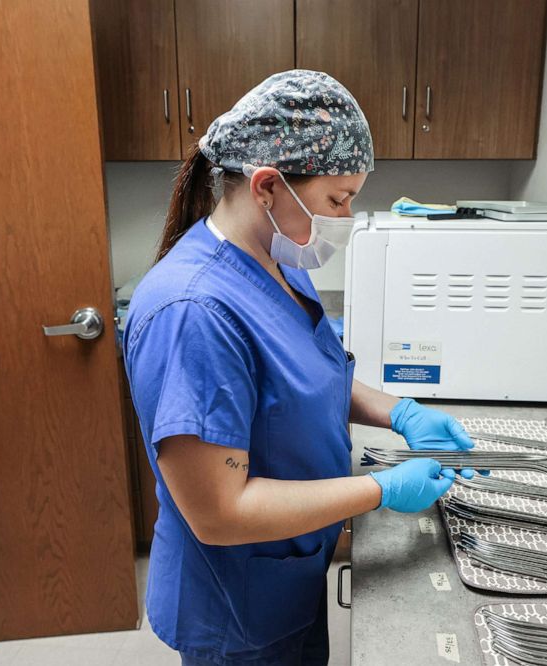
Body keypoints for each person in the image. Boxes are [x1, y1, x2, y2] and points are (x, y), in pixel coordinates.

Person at [123, 69, 476, 666]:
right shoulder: (194, 314)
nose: (347, 215)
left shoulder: (279, 261)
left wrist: (399, 411)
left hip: (286, 570)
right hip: (236, 602)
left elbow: (309, 376)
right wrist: (380, 489)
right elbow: (220, 513)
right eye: (338, 198)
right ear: (267, 186)